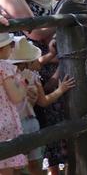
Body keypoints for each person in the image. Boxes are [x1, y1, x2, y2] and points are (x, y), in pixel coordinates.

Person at [0, 0, 64, 174]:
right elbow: (35, 32)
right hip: (26, 66)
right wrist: (59, 21)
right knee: (42, 124)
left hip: (27, 63)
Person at [9, 36, 75, 175]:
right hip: (30, 122)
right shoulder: (33, 76)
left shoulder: (6, 78)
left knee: (14, 166)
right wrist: (60, 90)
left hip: (12, 125)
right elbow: (43, 101)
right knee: (34, 166)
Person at [0, 32, 29, 174]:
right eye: (10, 45)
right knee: (5, 167)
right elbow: (16, 97)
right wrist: (23, 84)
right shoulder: (4, 67)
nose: (12, 48)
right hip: (4, 124)